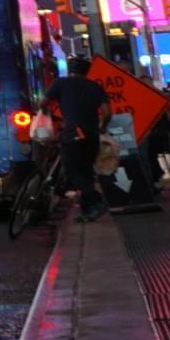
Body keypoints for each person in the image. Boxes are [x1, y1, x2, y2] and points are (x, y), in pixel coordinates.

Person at [49, 59, 109, 220]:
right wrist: (102, 127)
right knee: (86, 171)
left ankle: (97, 201)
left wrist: (44, 116)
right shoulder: (95, 87)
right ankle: (88, 211)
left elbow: (43, 102)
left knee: (72, 171)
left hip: (73, 133)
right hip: (92, 135)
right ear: (87, 71)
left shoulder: (61, 83)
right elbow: (107, 113)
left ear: (70, 70)